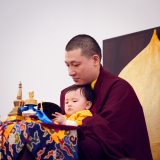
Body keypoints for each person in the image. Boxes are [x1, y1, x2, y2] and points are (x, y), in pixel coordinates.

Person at [60, 34, 153, 160]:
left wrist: (84, 122)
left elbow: (111, 140)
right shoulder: (68, 94)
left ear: (95, 60)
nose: (70, 72)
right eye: (67, 65)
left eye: (75, 65)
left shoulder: (119, 89)